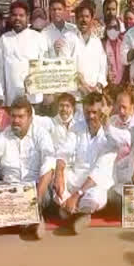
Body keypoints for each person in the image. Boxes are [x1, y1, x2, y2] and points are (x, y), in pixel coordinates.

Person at [53, 92, 118, 234]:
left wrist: (76, 195)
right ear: (83, 111)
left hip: (95, 184)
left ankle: (74, 212)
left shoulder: (110, 135)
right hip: (76, 178)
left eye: (95, 112)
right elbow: (64, 152)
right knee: (57, 177)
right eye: (87, 112)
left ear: (102, 111)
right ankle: (76, 212)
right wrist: (59, 174)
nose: (91, 116)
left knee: (94, 198)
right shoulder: (77, 127)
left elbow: (99, 171)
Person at [0, 96, 55, 200]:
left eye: (20, 117)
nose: (16, 120)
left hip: (36, 188)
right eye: (13, 116)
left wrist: (37, 197)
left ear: (30, 118)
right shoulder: (2, 137)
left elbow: (49, 165)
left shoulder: (41, 135)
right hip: (9, 189)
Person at [0, 1, 50, 108]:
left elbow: (44, 67)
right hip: (12, 99)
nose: (17, 18)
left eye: (21, 15)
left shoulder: (38, 38)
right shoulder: (4, 39)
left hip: (34, 98)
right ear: (10, 17)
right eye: (14, 15)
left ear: (27, 17)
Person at [72, 0, 108, 100]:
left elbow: (103, 67)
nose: (83, 20)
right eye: (80, 17)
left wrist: (99, 85)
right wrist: (83, 87)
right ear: (75, 19)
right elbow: (66, 67)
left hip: (95, 95)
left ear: (92, 19)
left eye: (87, 17)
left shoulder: (97, 41)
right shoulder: (68, 39)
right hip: (76, 96)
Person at [104, 16, 126, 86]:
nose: (113, 30)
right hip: (107, 85)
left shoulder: (123, 44)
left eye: (115, 27)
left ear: (119, 29)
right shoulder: (102, 45)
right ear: (106, 29)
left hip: (122, 84)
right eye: (110, 27)